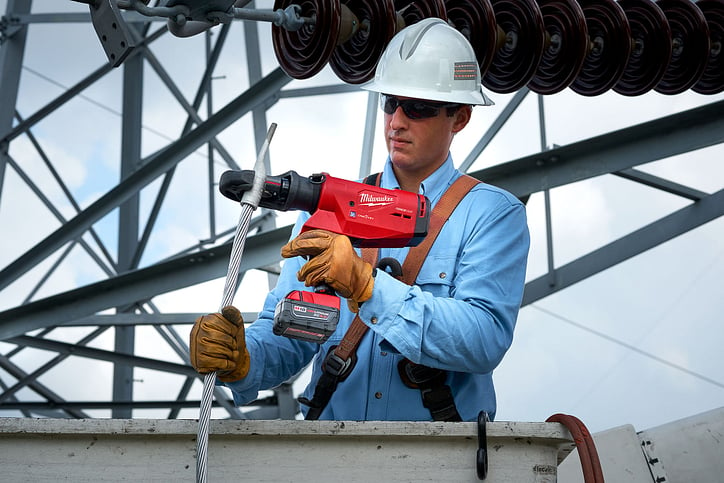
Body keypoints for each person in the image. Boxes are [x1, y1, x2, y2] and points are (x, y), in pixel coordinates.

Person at [189, 18, 530, 421]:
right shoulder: (328, 211)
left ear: (460, 118)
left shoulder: (490, 214)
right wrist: (245, 359)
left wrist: (368, 287)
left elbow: (482, 339)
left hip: (439, 460)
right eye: (391, 103)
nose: (397, 122)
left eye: (418, 107)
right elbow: (293, 335)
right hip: (334, 454)